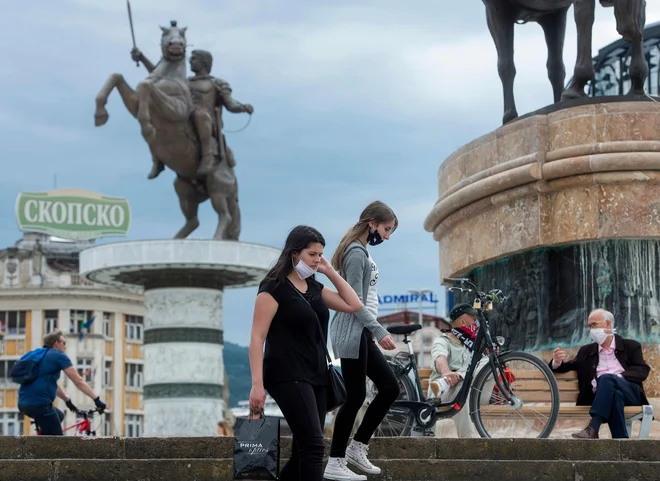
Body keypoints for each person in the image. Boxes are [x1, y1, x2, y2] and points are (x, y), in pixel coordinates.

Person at [248, 225, 364, 481]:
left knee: (303, 451)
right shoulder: (272, 288)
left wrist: (330, 271)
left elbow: (353, 304)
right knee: (313, 445)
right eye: (312, 254)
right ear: (294, 253)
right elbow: (257, 338)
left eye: (320, 254)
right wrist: (257, 384)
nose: (317, 260)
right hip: (287, 374)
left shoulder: (315, 289)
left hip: (318, 376)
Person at [325, 201, 399, 481]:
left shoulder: (361, 251)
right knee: (356, 396)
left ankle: (357, 448)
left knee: (389, 387)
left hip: (362, 333)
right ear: (371, 223)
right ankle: (335, 461)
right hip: (354, 332)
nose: (387, 236)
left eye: (390, 231)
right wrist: (380, 331)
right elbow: (353, 301)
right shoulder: (356, 253)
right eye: (386, 229)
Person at [130, 47, 253, 179]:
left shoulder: (217, 82)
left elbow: (230, 104)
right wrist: (142, 58)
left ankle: (207, 155)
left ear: (204, 62)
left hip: (205, 119)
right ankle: (157, 159)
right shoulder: (184, 81)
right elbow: (160, 76)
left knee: (199, 114)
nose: (189, 61)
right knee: (156, 118)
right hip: (184, 113)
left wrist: (243, 107)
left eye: (193, 58)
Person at [550, 308, 650, 439]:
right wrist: (556, 361)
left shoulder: (631, 346)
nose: (591, 330)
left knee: (607, 378)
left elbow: (642, 370)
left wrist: (617, 378)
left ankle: (593, 427)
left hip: (630, 392)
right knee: (616, 395)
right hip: (605, 396)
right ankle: (621, 443)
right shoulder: (586, 351)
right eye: (589, 326)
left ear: (608, 324)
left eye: (594, 325)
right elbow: (566, 366)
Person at [18, 330, 107, 435]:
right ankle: (43, 448)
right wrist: (96, 400)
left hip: (23, 403)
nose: (65, 346)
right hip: (39, 404)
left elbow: (52, 384)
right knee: (58, 443)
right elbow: (78, 381)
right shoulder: (58, 356)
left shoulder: (39, 355)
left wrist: (67, 401)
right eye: (64, 343)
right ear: (56, 343)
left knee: (60, 415)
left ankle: (44, 440)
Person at [428, 303, 490, 438]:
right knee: (462, 389)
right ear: (463, 321)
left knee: (489, 361)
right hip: (443, 392)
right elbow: (439, 358)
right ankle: (467, 441)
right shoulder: (443, 340)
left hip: (475, 392)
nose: (476, 322)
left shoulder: (475, 344)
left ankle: (461, 376)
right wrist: (446, 373)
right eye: (473, 319)